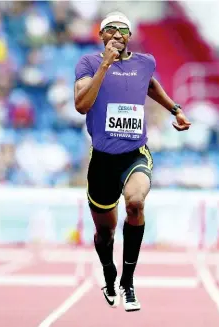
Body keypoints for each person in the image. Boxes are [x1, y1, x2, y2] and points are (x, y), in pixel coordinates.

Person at [74, 12, 191, 312]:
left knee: (136, 202)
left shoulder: (145, 62)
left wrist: (175, 108)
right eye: (109, 29)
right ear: (101, 36)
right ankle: (109, 273)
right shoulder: (88, 63)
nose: (116, 33)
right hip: (102, 159)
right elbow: (81, 105)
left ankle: (128, 281)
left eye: (122, 29)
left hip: (134, 154)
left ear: (130, 35)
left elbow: (150, 85)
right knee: (105, 232)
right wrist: (105, 65)